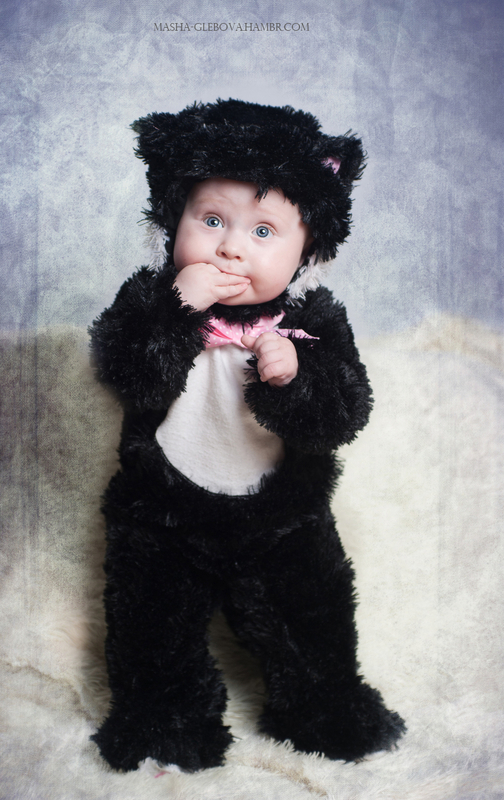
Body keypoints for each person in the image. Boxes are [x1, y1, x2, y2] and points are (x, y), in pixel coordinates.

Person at [89, 99, 405, 772]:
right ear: (171, 219)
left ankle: (321, 708)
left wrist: (295, 377)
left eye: (264, 231)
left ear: (308, 250)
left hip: (279, 517)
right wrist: (178, 306)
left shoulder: (313, 321)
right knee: (151, 627)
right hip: (164, 509)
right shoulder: (152, 298)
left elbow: (343, 413)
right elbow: (126, 370)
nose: (231, 246)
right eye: (211, 221)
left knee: (312, 618)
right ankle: (164, 723)